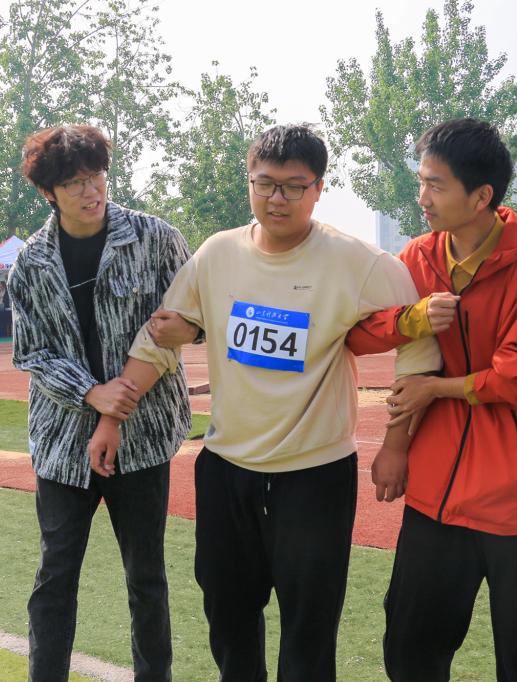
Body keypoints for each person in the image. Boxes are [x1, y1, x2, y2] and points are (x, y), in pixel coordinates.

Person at [103, 124, 441, 680]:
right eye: (264, 184)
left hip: (315, 476)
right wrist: (115, 413)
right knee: (228, 617)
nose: (276, 199)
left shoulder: (359, 262)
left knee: (309, 630)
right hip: (226, 470)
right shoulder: (217, 254)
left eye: (293, 186)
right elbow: (162, 334)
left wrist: (397, 443)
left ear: (319, 189)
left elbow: (419, 344)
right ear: (249, 182)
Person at [344, 118, 517, 681]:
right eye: (421, 182)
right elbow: (360, 334)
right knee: (410, 649)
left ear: (481, 196)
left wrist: (441, 388)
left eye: (436, 185)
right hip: (434, 493)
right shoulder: (417, 258)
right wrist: (412, 319)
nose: (422, 198)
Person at [7, 124, 192, 681]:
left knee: (146, 578)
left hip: (143, 435)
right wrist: (91, 393)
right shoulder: (31, 264)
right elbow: (32, 353)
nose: (91, 191)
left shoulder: (155, 238)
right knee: (55, 576)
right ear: (49, 193)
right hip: (63, 442)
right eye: (74, 184)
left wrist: (118, 403)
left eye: (97, 176)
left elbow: (191, 318)